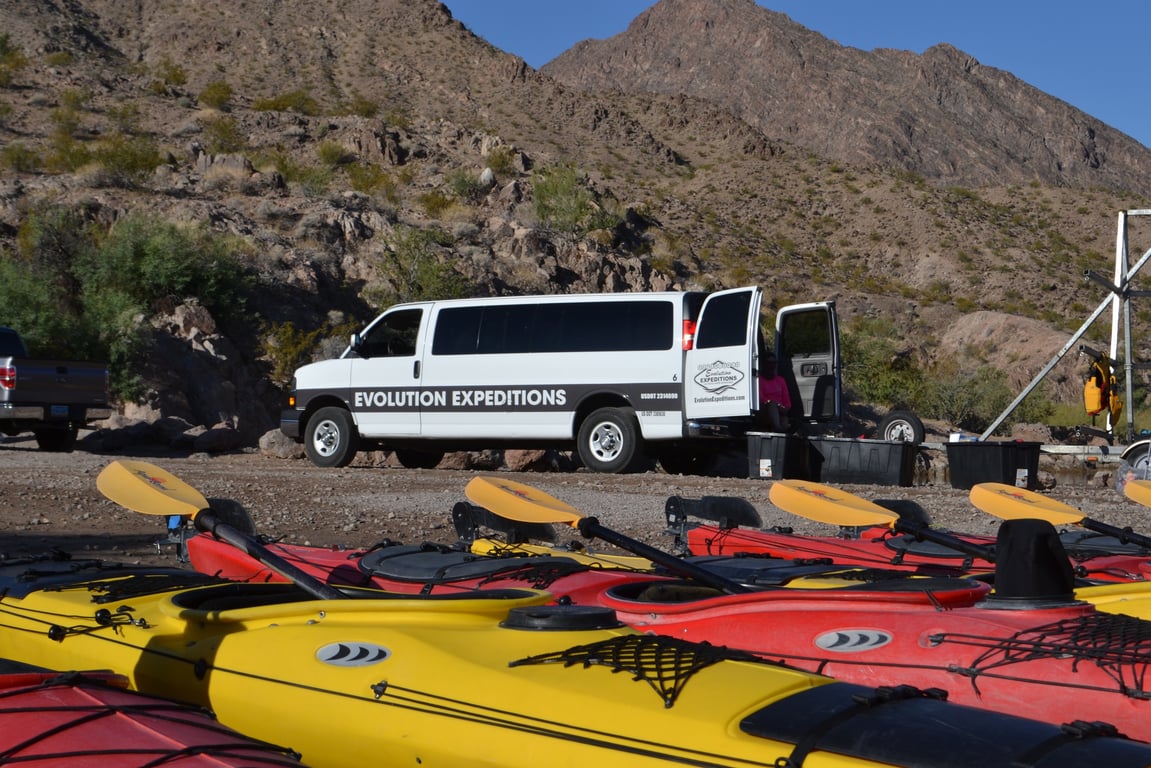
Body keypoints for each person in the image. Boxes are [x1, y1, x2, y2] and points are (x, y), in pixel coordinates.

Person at [757, 352, 791, 432]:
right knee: (771, 403)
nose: (771, 366)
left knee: (785, 421)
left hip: (780, 411)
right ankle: (777, 428)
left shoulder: (780, 380)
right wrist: (775, 405)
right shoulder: (759, 380)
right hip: (765, 411)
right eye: (769, 363)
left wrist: (784, 408)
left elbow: (787, 401)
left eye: (774, 363)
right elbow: (761, 399)